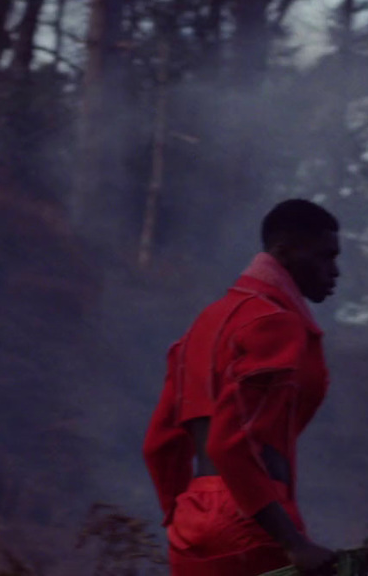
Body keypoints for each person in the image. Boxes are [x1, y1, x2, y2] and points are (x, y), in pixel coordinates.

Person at [143, 199, 342, 576]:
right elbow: (230, 442)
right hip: (253, 520)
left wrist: (178, 514)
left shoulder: (205, 323)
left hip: (192, 521)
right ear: (283, 252)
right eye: (324, 257)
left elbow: (159, 444)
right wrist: (292, 543)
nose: (335, 271)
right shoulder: (276, 323)